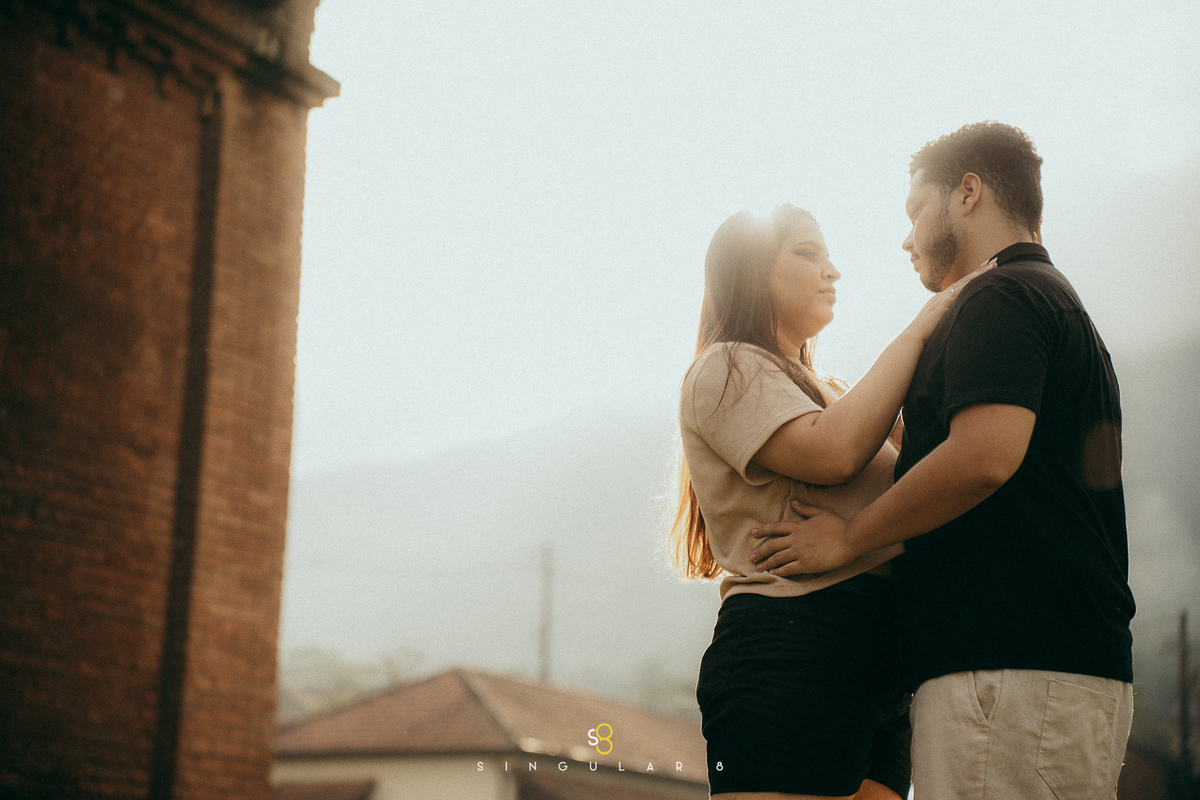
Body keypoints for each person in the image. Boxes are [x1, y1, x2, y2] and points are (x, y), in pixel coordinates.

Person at [748, 122, 1136, 799]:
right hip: (1043, 673)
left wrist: (848, 536)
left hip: (1007, 673)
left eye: (913, 211)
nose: (905, 237)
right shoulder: (1051, 302)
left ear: (967, 193)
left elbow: (983, 457)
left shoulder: (1001, 298)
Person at [673, 203, 980, 800]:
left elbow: (929, 478)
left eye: (829, 256)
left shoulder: (831, 390)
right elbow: (832, 453)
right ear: (749, 271)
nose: (832, 271)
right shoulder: (724, 366)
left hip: (880, 662)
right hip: (793, 645)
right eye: (808, 253)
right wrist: (921, 327)